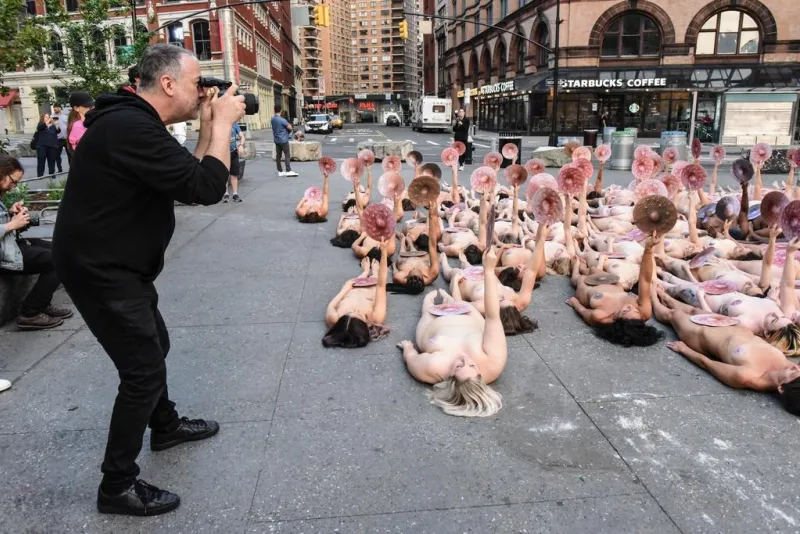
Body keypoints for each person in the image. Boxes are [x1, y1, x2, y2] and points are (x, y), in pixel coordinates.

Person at [52, 44, 246, 517]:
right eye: (198, 82)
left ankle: (164, 424)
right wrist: (222, 126)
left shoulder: (133, 123)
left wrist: (207, 129)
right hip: (102, 269)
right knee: (142, 370)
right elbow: (207, 188)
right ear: (168, 84)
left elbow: (188, 179)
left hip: (116, 263)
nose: (205, 91)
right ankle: (117, 485)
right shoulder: (130, 127)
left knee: (153, 343)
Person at [652, 287, 800, 415]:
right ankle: (665, 296)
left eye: (793, 373)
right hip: (727, 324)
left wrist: (683, 349)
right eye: (798, 368)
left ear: (781, 388)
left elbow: (708, 364)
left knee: (672, 315)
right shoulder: (785, 366)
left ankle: (651, 297)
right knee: (693, 310)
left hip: (700, 336)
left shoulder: (747, 376)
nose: (794, 366)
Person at [397, 247, 506, 417]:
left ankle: (432, 301)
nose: (464, 359)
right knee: (455, 296)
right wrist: (489, 271)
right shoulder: (493, 364)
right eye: (471, 365)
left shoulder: (432, 369)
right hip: (467, 312)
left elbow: (412, 360)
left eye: (459, 366)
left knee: (429, 301)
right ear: (480, 374)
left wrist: (407, 348)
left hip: (433, 318)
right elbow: (493, 317)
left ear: (450, 379)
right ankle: (451, 298)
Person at [0, 155, 72, 329]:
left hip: (9, 246)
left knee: (60, 249)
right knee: (57, 260)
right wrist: (11, 224)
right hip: (4, 254)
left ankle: (42, 301)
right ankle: (30, 313)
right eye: (13, 181)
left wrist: (11, 214)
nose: (13, 186)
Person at [566, 233, 664, 347]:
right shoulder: (644, 311)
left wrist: (575, 304)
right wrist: (648, 249)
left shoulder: (602, 316)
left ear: (616, 321)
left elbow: (583, 312)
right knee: (592, 269)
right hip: (607, 280)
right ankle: (585, 267)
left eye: (626, 311)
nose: (629, 306)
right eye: (634, 310)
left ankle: (577, 267)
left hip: (585, 285)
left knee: (577, 277)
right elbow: (645, 280)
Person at [323, 242, 389, 348]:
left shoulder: (334, 318)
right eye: (359, 315)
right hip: (372, 287)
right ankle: (374, 270)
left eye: (348, 313)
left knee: (352, 283)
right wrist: (384, 254)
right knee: (376, 276)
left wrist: (346, 289)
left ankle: (365, 271)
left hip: (354, 287)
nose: (354, 310)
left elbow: (332, 305)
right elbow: (381, 286)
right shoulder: (375, 318)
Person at [222, 122, 245, 203]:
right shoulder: (220, 123)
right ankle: (225, 193)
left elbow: (242, 136)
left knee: (234, 174)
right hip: (223, 153)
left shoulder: (234, 124)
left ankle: (235, 194)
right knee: (225, 174)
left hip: (233, 152)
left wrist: (241, 145)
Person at [272, 104, 296, 177]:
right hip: (284, 140)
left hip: (276, 140)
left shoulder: (273, 119)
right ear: (281, 110)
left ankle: (280, 171)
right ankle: (288, 170)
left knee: (278, 156)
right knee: (287, 155)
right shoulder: (282, 120)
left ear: (274, 110)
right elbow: (290, 127)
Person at [35, 113, 60, 177]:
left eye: (48, 117)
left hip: (52, 145)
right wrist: (48, 121)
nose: (48, 118)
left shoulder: (52, 125)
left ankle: (52, 174)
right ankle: (40, 175)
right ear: (42, 118)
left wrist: (56, 124)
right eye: (46, 117)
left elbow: (58, 131)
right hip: (42, 146)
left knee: (52, 161)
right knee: (41, 161)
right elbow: (40, 128)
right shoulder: (41, 124)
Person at [52, 104, 68, 170]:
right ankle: (59, 168)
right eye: (54, 108)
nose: (55, 109)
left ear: (60, 108)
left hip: (66, 138)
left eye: (56, 108)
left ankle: (72, 168)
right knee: (57, 155)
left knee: (70, 155)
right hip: (58, 139)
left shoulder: (65, 116)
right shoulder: (51, 116)